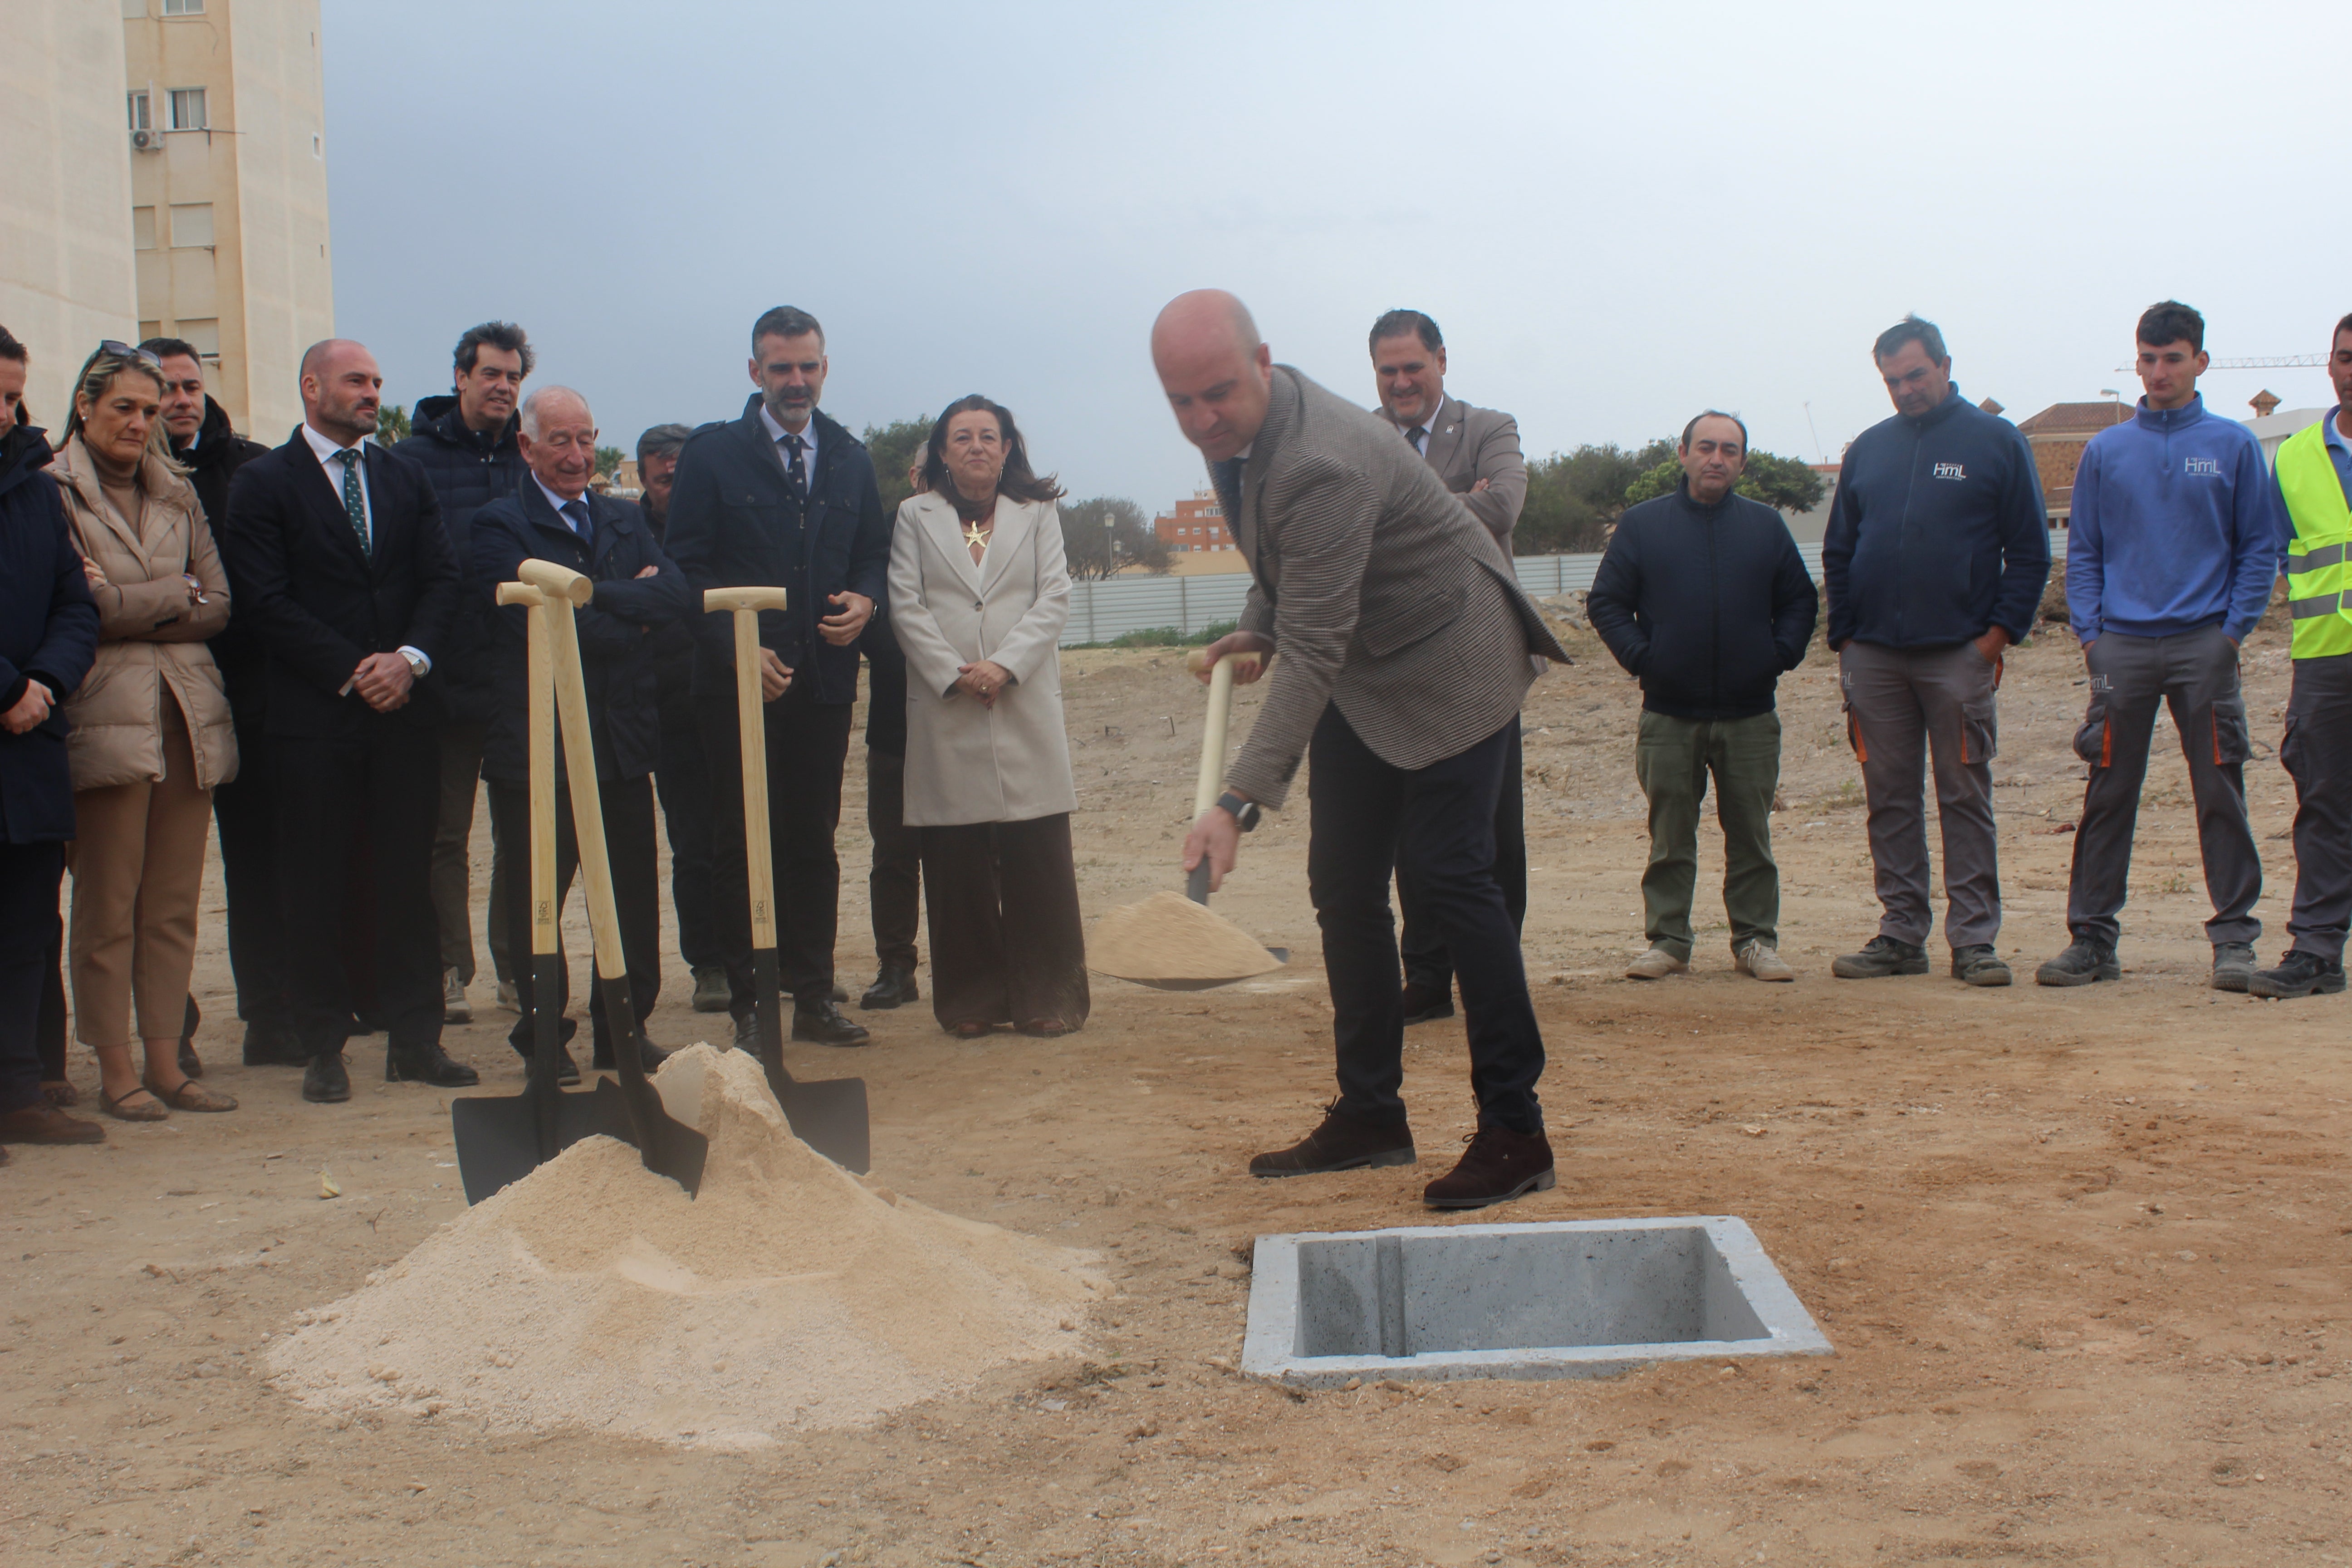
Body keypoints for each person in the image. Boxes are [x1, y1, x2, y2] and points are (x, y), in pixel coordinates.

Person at [1154, 290, 1570, 1210]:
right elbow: (1286, 569)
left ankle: (1515, 1129)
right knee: (1344, 882)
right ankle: (1372, 1114)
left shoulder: (1324, 458)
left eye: (1217, 392)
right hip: (1368, 668)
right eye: (1180, 401)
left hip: (1455, 654)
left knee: (1452, 878)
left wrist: (1234, 803)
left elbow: (1314, 647)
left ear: (1263, 364)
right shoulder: (1247, 435)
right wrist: (1256, 624)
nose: (1201, 418)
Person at [219, 338, 476, 1102]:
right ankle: (324, 1042)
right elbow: (262, 599)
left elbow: (443, 577)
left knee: (407, 879)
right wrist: (352, 669)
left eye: (376, 382)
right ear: (311, 387)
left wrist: (409, 659)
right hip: (313, 716)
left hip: (405, 713)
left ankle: (415, 1038)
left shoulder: (404, 475)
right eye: (356, 381)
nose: (372, 393)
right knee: (316, 881)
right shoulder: (263, 483)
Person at [665, 305, 890, 1048]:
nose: (796, 381)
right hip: (737, 684)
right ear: (755, 371)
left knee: (811, 841)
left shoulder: (849, 457)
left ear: (825, 368)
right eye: (781, 366)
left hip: (822, 682)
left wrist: (865, 597)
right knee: (738, 842)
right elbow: (684, 569)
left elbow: (869, 554)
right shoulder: (712, 455)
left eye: (808, 366)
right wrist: (735, 649)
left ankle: (814, 996)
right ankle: (751, 1005)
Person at [2038, 302, 2280, 992]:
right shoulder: (2108, 453)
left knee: (2219, 791)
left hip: (2206, 646)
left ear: (2200, 361)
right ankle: (2092, 939)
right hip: (2122, 652)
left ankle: (2234, 939)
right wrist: (2093, 638)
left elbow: (2258, 547)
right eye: (2147, 358)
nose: (2158, 371)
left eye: (2173, 358)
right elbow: (2083, 551)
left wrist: (2232, 633)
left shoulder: (2232, 446)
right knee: (2109, 791)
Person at [1821, 315, 2049, 988]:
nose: (1905, 390)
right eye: (1892, 380)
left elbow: (2030, 552)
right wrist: (1845, 637)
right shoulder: (1869, 449)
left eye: (1915, 375)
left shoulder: (1996, 443)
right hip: (1875, 658)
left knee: (1963, 796)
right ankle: (1900, 934)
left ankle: (1974, 940)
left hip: (1959, 655)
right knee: (1889, 798)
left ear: (1946, 366)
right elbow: (1839, 549)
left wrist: (1995, 639)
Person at [474, 388, 691, 1074]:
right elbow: (542, 624)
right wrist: (628, 608)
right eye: (560, 441)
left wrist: (594, 596)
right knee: (537, 896)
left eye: (586, 440)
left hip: (621, 738)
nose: (576, 456)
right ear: (527, 447)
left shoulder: (622, 520)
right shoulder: (498, 526)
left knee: (629, 894)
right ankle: (543, 1039)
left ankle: (621, 1028)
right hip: (537, 745)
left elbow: (674, 595)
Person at [47, 343, 240, 1119]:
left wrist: (131, 599)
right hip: (103, 717)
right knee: (107, 904)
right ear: (86, 406)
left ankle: (167, 1060)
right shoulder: (52, 491)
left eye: (149, 409)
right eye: (123, 406)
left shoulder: (178, 491)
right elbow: (77, 609)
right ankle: (114, 1067)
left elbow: (220, 603)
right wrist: (173, 595)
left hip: (188, 715)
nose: (138, 422)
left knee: (170, 904)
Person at [1589, 411, 1817, 983]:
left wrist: (1777, 655)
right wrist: (1646, 658)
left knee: (1751, 837)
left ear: (1742, 461)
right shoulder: (1643, 525)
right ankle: (1668, 942)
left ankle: (1756, 941)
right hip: (1669, 714)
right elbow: (1608, 603)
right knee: (1670, 836)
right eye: (1707, 447)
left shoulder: (1766, 527)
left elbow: (1799, 602)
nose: (1717, 459)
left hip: (1750, 715)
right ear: (1684, 453)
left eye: (1730, 450)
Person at [887, 395, 1084, 1036]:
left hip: (1021, 697)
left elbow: (1055, 594)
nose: (976, 446)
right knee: (957, 864)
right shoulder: (914, 517)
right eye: (963, 437)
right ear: (942, 452)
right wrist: (954, 672)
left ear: (1007, 449)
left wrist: (1004, 666)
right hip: (949, 707)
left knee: (1038, 860)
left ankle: (1048, 999)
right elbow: (906, 605)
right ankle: (971, 1004)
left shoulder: (1038, 513)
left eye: (989, 436)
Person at [1367, 309, 1530, 1025]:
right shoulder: (1362, 437)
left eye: (1413, 367)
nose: (1401, 382)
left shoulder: (1490, 427)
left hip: (1483, 657)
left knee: (1494, 830)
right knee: (1414, 833)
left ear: (1441, 361)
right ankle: (1427, 976)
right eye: (1387, 370)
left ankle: (1495, 970)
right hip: (1397, 666)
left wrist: (1392, 518)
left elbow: (1504, 506)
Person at [142, 336, 288, 1070]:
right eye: (164, 387)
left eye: (189, 386)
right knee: (161, 875)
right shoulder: (115, 476)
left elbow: (262, 584)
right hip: (157, 695)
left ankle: (270, 1018)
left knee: (258, 865)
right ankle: (173, 1029)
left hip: (251, 694)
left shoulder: (254, 467)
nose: (179, 399)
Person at [393, 322, 533, 1024]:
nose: (503, 387)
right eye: (492, 374)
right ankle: (450, 968)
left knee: (522, 833)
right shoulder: (409, 459)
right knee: (443, 834)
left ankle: (518, 967)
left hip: (516, 677)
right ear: (461, 377)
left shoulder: (532, 457)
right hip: (440, 676)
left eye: (513, 377)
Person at [0, 324, 106, 1153]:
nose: (7, 412)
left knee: (27, 926)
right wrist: (8, 688)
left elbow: (76, 604)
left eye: (12, 396)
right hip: (14, 709)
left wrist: (46, 685)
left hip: (29, 746)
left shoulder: (37, 494)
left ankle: (18, 1090)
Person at [2252, 311, 2352, 1000]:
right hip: (2325, 660)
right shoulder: (2293, 456)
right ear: (2330, 364)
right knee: (2323, 805)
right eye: (2346, 356)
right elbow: (2280, 553)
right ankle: (2317, 949)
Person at [633, 421, 729, 1015]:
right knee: (693, 840)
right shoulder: (626, 532)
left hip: (730, 692)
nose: (671, 479)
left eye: (680, 470)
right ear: (643, 477)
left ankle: (777, 953)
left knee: (755, 833)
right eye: (660, 472)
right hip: (668, 706)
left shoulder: (720, 525)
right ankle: (710, 964)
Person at [858, 453, 926, 1013]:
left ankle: (973, 962)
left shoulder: (982, 534)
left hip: (967, 722)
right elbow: (870, 620)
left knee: (976, 853)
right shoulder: (882, 538)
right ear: (914, 478)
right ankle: (895, 966)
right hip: (895, 726)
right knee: (894, 854)